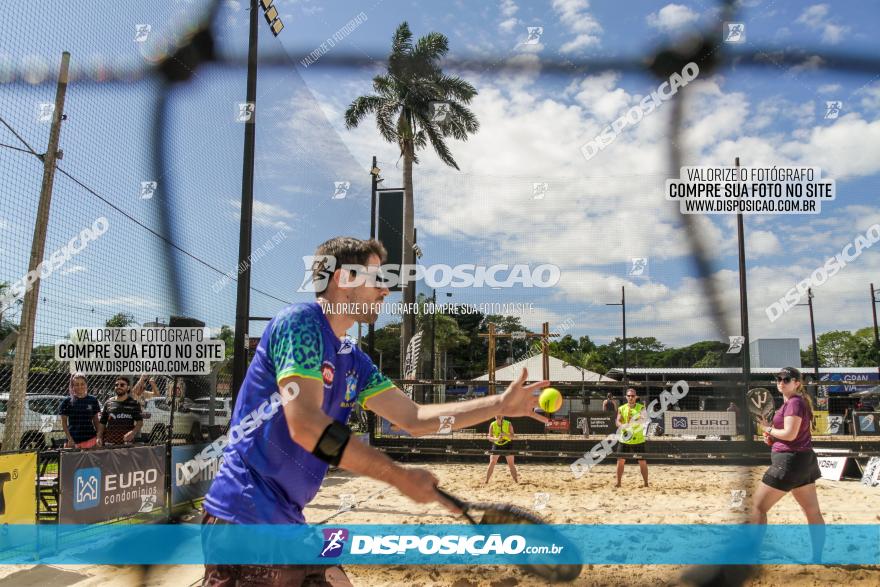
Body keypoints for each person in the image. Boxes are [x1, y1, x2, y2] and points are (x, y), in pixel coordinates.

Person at [202, 237, 548, 586]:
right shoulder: (300, 323)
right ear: (343, 279)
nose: (386, 290)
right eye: (377, 278)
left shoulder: (353, 358)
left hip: (285, 522)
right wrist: (399, 477)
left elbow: (414, 419)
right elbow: (305, 425)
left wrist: (498, 405)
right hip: (246, 520)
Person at [751, 367, 824, 562]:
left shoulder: (794, 403)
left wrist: (768, 428)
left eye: (786, 379)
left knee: (757, 507)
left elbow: (790, 434)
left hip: (789, 462)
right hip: (803, 461)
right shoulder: (794, 403)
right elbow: (790, 435)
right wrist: (772, 437)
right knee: (812, 511)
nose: (781, 382)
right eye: (778, 378)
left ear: (797, 383)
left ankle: (751, 556)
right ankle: (816, 558)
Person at [58, 372, 101, 449]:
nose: (80, 386)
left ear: (86, 385)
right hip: (73, 441)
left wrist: (98, 437)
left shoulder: (93, 400)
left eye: (82, 384)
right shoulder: (67, 401)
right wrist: (69, 439)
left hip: (90, 439)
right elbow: (64, 423)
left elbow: (96, 421)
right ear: (72, 386)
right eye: (76, 384)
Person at [616, 388, 648, 488]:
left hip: (638, 439)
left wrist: (632, 424)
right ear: (626, 397)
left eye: (633, 396)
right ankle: (618, 483)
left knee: (642, 461)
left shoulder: (641, 408)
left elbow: (644, 419)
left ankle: (646, 483)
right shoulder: (621, 408)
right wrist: (621, 425)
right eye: (629, 396)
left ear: (636, 397)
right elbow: (617, 421)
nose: (631, 397)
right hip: (624, 439)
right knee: (620, 461)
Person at [97, 376, 144, 445]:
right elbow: (102, 422)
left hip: (127, 442)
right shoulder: (108, 402)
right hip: (110, 442)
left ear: (128, 388)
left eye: (122, 385)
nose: (119, 386)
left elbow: (140, 422)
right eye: (116, 385)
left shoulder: (134, 403)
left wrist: (133, 433)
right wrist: (99, 437)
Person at [485, 415, 518, 484]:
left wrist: (505, 435)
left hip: (507, 444)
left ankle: (516, 481)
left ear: (502, 416)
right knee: (492, 462)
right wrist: (497, 439)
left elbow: (513, 436)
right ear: (495, 416)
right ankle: (486, 481)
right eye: (497, 415)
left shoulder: (508, 423)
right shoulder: (492, 424)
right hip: (497, 444)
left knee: (511, 464)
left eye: (500, 415)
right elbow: (489, 438)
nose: (498, 416)